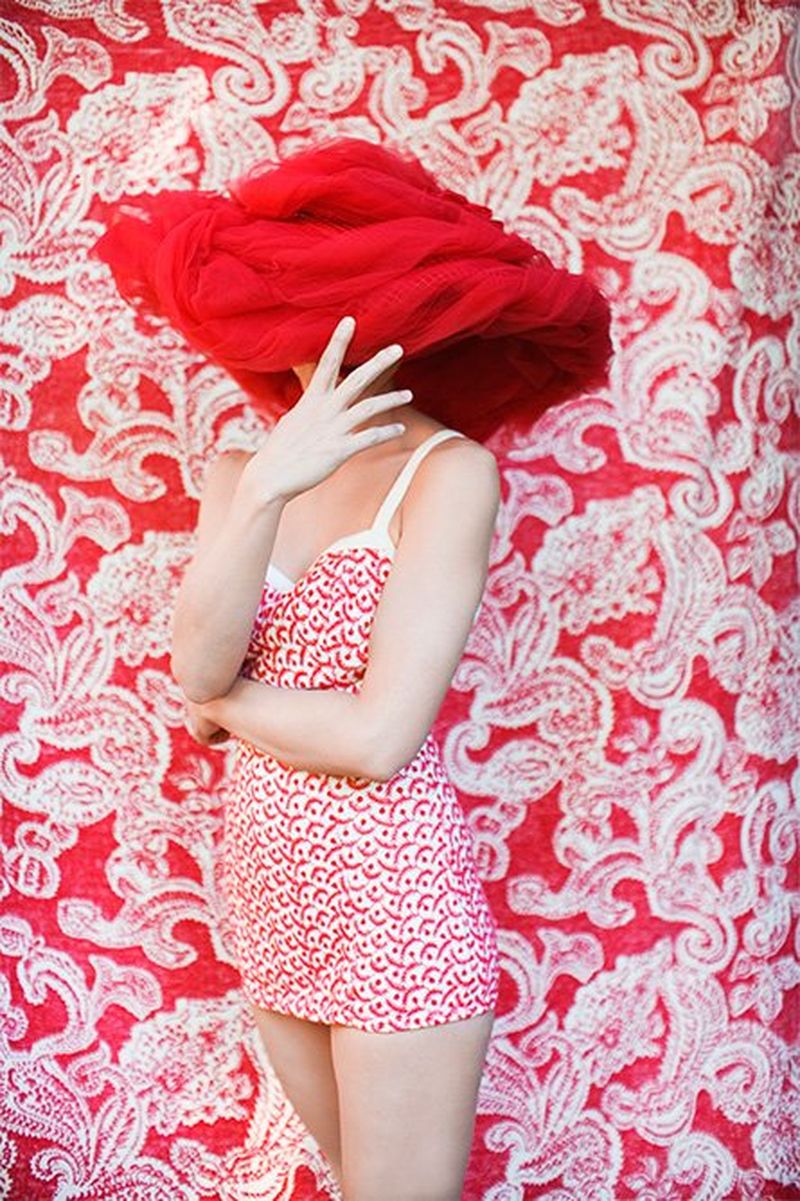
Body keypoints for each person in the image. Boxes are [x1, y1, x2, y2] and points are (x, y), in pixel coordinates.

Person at [93, 136, 613, 1200]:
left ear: (393, 322)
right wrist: (273, 483)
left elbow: (377, 739)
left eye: (326, 310)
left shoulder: (448, 473)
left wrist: (222, 703)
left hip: (393, 900)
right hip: (272, 894)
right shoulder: (243, 469)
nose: (297, 338)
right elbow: (197, 652)